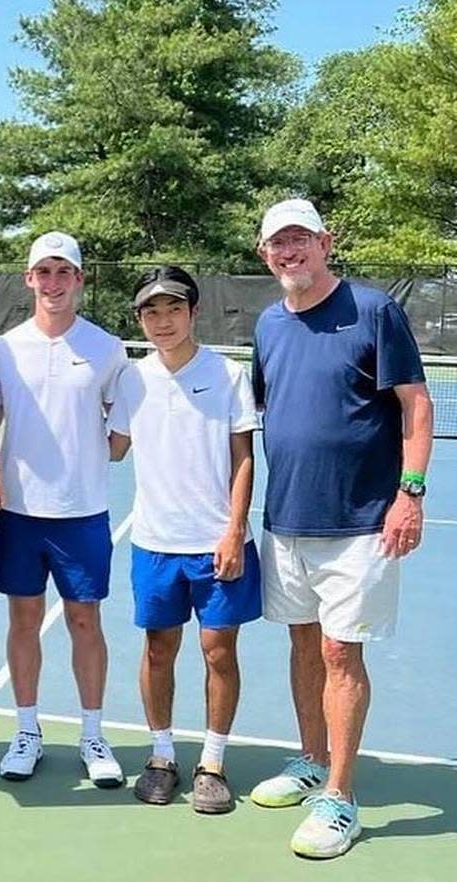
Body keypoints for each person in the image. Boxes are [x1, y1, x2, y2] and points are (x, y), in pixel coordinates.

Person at [249, 199, 433, 858]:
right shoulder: (268, 324)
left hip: (360, 522)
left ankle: (341, 793)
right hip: (288, 518)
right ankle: (310, 759)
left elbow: (416, 405)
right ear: (264, 253)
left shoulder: (375, 311)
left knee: (338, 653)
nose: (289, 251)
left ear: (325, 242)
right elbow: (275, 407)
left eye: (301, 239)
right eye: (278, 243)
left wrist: (409, 494)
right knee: (302, 645)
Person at [107, 266, 261, 813]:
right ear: (141, 320)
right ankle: (162, 755)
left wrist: (234, 530)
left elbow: (243, 457)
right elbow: (112, 447)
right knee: (157, 649)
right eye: (151, 311)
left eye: (174, 309)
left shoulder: (227, 375)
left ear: (193, 313)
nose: (163, 320)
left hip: (217, 542)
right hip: (154, 543)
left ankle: (212, 763)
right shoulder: (131, 378)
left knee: (218, 651)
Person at [0, 231, 127, 788]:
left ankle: (93, 734)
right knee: (23, 620)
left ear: (79, 280)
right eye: (43, 273)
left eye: (63, 273)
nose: (53, 283)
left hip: (83, 512)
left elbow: (122, 433)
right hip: (18, 512)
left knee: (83, 620)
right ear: (29, 279)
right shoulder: (2, 347)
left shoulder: (108, 348)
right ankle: (27, 731)